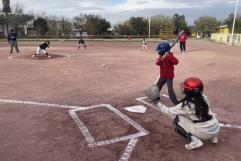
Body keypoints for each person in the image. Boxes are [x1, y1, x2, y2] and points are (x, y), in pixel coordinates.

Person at [150, 77, 220, 150]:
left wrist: (157, 102)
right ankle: (213, 137)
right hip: (216, 128)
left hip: (204, 133)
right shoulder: (204, 97)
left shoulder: (186, 105)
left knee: (177, 120)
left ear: (188, 91)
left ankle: (195, 141)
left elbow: (168, 112)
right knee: (205, 115)